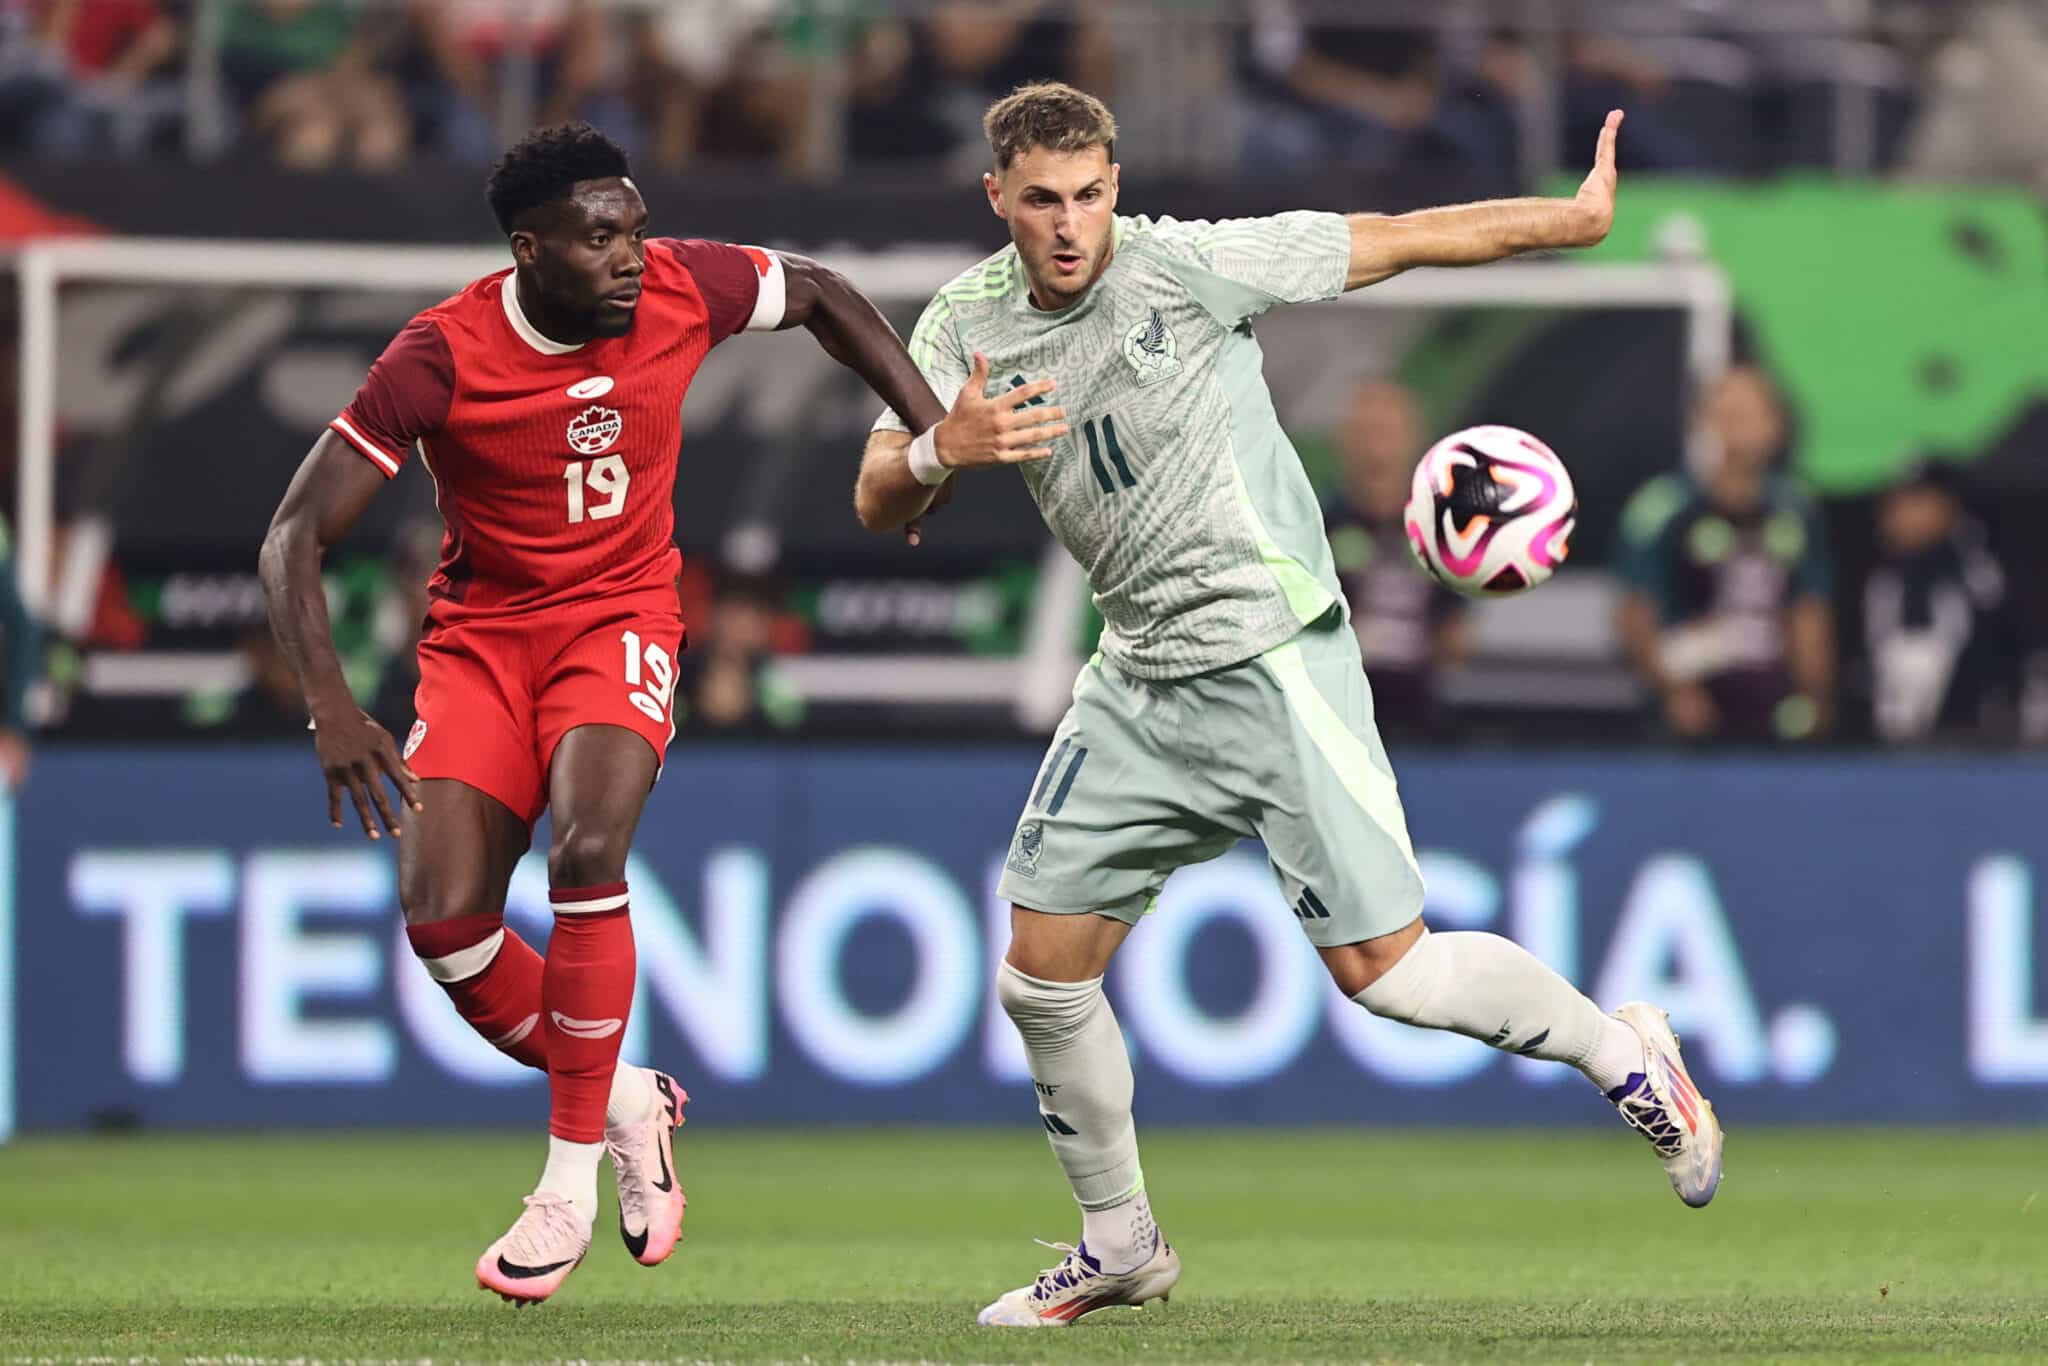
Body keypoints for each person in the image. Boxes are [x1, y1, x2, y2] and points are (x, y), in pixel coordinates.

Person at [855, 82, 1722, 1329]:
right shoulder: (958, 329)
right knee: (1039, 976)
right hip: (1137, 676)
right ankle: (1120, 1243)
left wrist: (1568, 223)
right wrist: (942, 447)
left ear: (1115, 185)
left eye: (1089, 195)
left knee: (1387, 973)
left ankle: (1625, 1057)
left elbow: (1398, 234)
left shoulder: (1190, 269)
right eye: (1040, 200)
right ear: (997, 197)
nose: (1068, 224)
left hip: (1269, 659)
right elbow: (877, 493)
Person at [259, 123, 991, 1305]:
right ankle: (626, 1099)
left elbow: (816, 292)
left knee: (588, 846)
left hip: (620, 619)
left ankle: (560, 1187)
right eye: (600, 237)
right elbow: (294, 532)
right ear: (528, 249)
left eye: (636, 227)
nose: (630, 258)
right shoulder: (440, 355)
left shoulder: (679, 284)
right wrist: (332, 705)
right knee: (444, 925)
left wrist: (923, 437)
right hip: (483, 643)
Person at [1615, 366, 1834, 744]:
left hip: (1776, 715)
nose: (1736, 429)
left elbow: (1809, 612)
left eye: (1749, 415)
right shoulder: (1663, 508)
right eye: (1725, 414)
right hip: (1685, 718)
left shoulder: (1796, 509)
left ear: (1776, 427)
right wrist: (1673, 692)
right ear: (1702, 423)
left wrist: (1816, 696)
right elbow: (1635, 613)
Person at [1324, 377, 1470, 739]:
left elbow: (1457, 635)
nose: (1377, 448)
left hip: (1420, 718)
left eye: (1387, 432)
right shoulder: (1313, 526)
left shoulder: (1440, 529)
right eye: (1366, 432)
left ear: (1413, 438)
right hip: (1335, 717)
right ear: (1345, 441)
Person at [1863, 459, 2013, 743]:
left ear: (1948, 506)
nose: (1900, 515)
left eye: (1916, 502)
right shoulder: (1876, 572)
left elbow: (1994, 652)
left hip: (1964, 737)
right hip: (1885, 739)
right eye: (1892, 504)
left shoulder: (1971, 569)